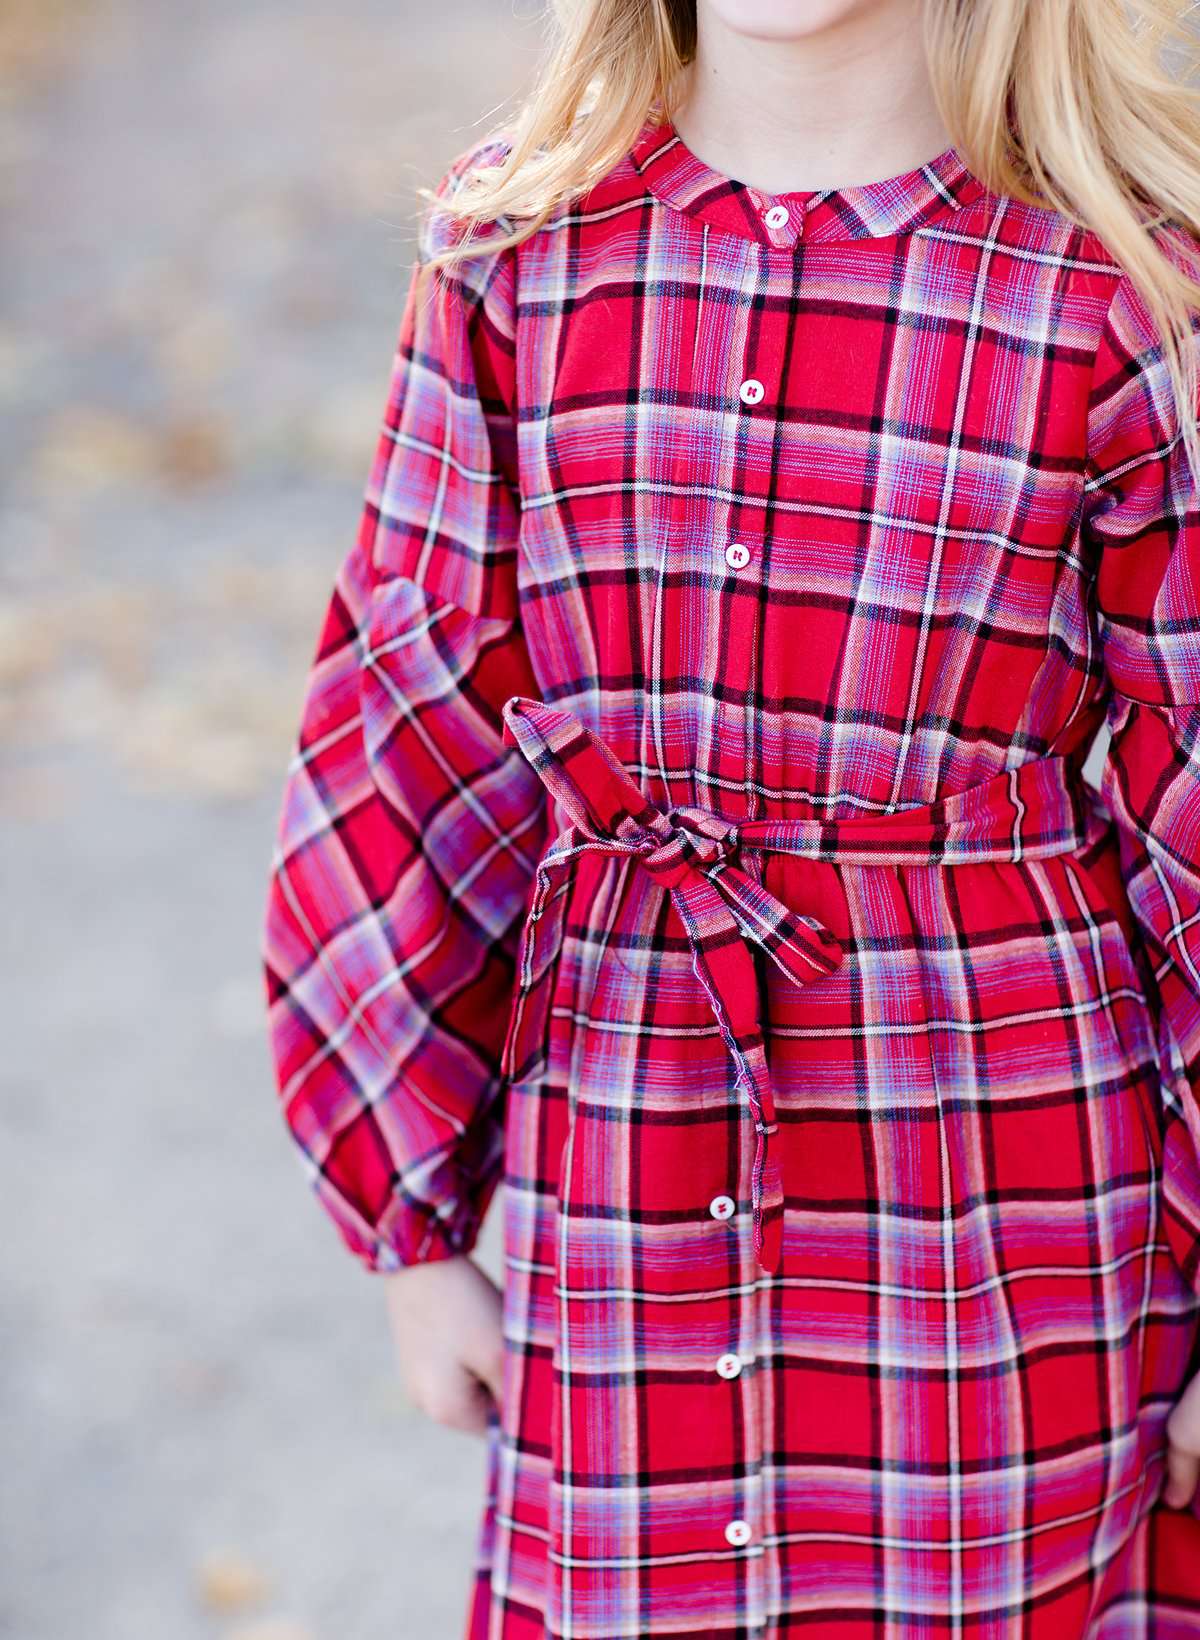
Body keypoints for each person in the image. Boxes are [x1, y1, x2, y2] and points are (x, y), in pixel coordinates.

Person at [259, 0, 1200, 1632]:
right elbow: (406, 747)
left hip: (1000, 1187)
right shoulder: (513, 253)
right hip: (628, 1150)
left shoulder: (1117, 283)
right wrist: (409, 1222)